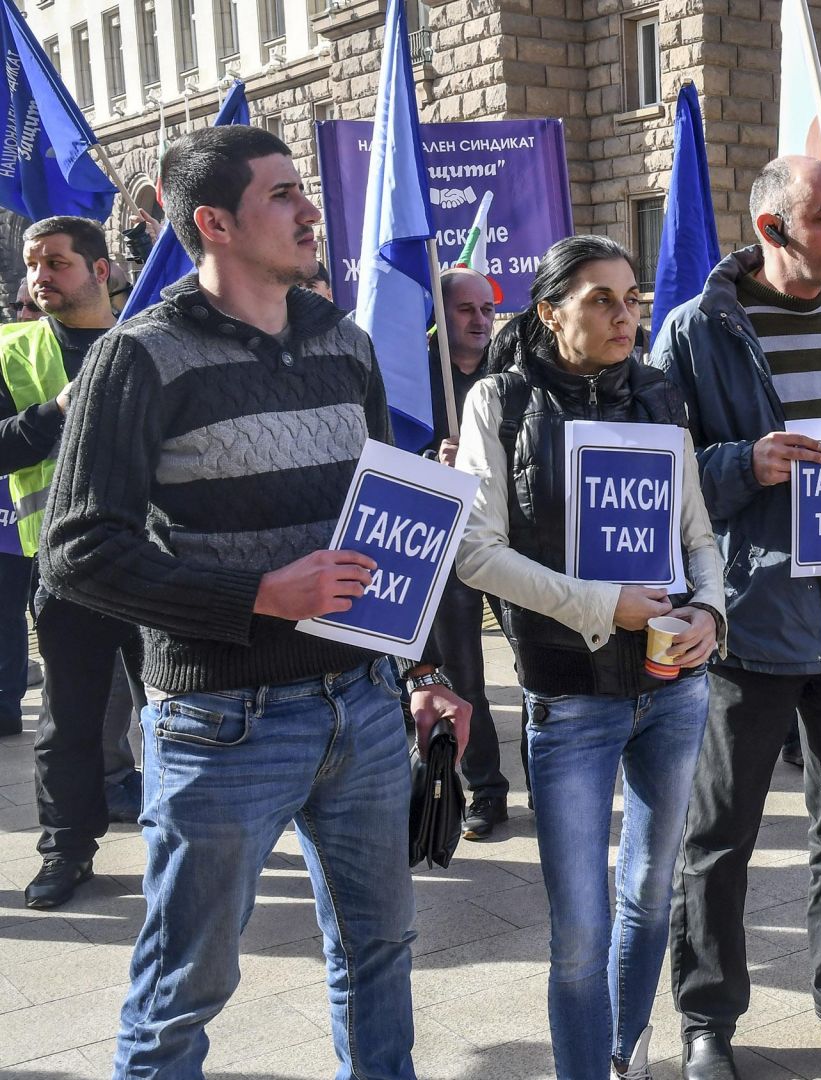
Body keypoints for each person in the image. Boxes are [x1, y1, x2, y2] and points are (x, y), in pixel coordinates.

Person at [39, 124, 471, 1077]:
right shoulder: (138, 358)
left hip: (360, 706)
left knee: (381, 955)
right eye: (282, 196)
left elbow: (386, 524)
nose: (311, 209)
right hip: (221, 726)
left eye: (302, 191)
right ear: (214, 223)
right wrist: (258, 595)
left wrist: (428, 668)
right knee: (185, 985)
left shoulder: (344, 343)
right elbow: (75, 553)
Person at [652, 155, 821, 1080]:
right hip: (751, 615)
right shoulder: (698, 331)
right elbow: (655, 472)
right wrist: (744, 464)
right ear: (773, 229)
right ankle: (707, 1019)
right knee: (719, 832)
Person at [455, 235, 723, 1080]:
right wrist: (601, 604)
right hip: (568, 696)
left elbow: (697, 533)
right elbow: (475, 551)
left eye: (631, 297)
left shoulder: (658, 397)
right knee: (579, 929)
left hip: (673, 683)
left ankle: (623, 1049)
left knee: (650, 896)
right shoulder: (497, 402)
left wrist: (712, 608)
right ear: (550, 311)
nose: (624, 315)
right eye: (601, 299)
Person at [3, 217, 145, 909]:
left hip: (157, 562)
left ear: (101, 269)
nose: (39, 275)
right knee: (69, 722)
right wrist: (59, 408)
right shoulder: (13, 351)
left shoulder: (149, 338)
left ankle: (199, 827)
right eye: (33, 263)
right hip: (67, 569)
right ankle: (66, 850)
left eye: (55, 261)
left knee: (175, 710)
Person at [425, 266, 514, 839]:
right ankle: (484, 790)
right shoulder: (417, 383)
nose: (481, 320)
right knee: (463, 677)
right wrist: (431, 462)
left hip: (510, 543)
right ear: (440, 316)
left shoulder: (511, 378)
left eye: (487, 309)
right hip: (448, 547)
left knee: (538, 667)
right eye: (466, 309)